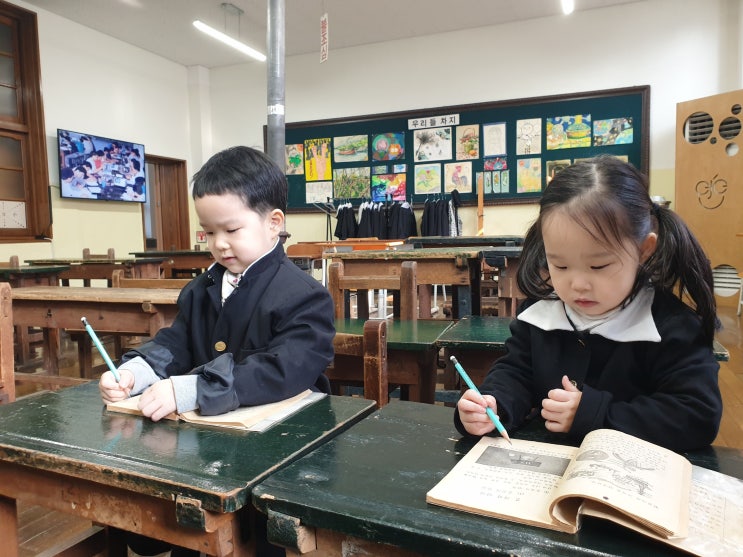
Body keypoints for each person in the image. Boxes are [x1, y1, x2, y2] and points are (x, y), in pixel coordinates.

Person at [99, 145, 335, 557]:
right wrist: (137, 372)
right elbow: (177, 341)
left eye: (231, 230)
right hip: (205, 451)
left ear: (274, 223)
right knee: (190, 533)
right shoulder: (202, 288)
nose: (219, 244)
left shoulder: (305, 296)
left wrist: (193, 389)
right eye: (208, 232)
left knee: (256, 541)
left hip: (278, 457)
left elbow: (281, 370)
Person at [455, 155, 722, 452]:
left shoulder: (671, 326)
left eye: (599, 266)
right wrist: (494, 404)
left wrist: (593, 415)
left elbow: (697, 414)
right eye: (560, 266)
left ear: (644, 250)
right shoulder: (541, 314)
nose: (578, 284)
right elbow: (517, 372)